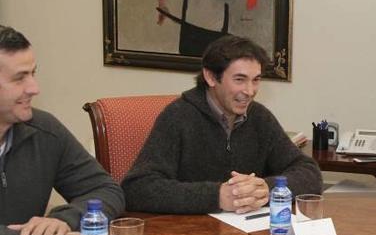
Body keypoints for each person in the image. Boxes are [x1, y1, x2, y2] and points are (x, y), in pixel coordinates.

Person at [122, 35, 322, 214]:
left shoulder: (259, 117)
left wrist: (266, 189)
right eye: (240, 80)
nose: (250, 91)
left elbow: (309, 173)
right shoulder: (178, 116)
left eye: (256, 80)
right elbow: (137, 188)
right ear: (210, 77)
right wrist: (216, 196)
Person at [0, 25, 124, 235]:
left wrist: (64, 220)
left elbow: (106, 190)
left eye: (33, 74)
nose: (34, 88)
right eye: (19, 78)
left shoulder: (43, 130)